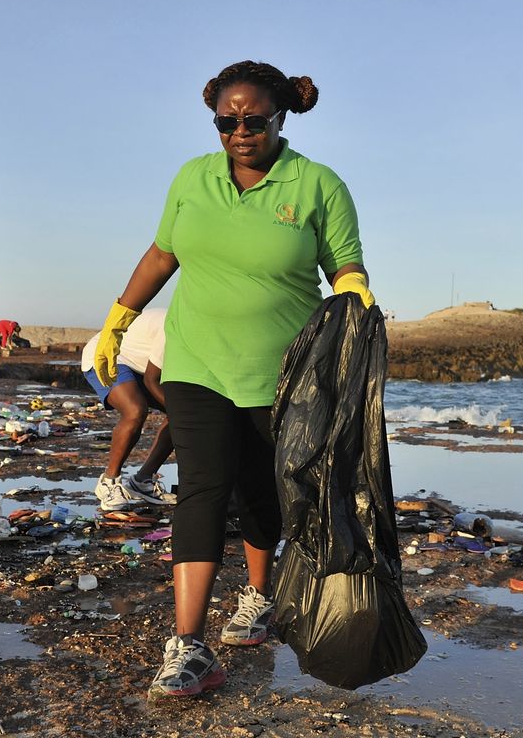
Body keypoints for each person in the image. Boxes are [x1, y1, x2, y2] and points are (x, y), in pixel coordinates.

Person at [92, 60, 373, 698]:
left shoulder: (319, 183)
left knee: (259, 491)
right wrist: (118, 318)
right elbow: (164, 253)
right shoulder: (194, 178)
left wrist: (356, 296)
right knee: (201, 488)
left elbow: (345, 265)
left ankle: (257, 595)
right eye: (226, 121)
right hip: (197, 362)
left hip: (284, 375)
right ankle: (188, 646)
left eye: (253, 120)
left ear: (281, 117)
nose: (239, 132)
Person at [78, 308, 174, 508]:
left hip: (142, 365)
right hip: (108, 355)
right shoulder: (173, 327)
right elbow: (151, 380)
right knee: (135, 410)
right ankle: (109, 482)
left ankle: (142, 481)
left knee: (180, 413)